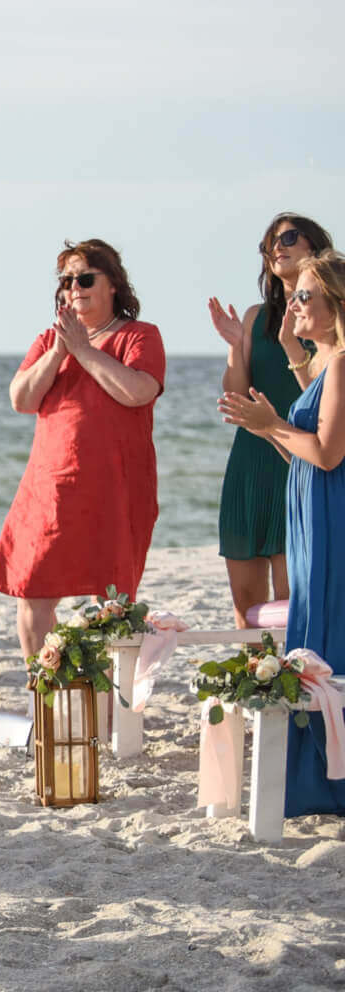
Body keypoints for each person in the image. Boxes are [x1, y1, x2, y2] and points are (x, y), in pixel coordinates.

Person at [0, 240, 165, 659]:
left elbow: (138, 392)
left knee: (112, 600)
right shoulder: (51, 339)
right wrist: (58, 352)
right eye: (67, 280)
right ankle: (44, 699)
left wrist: (85, 351)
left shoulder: (140, 335)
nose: (75, 287)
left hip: (113, 488)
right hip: (49, 487)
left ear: (113, 286)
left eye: (86, 278)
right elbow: (21, 399)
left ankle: (105, 710)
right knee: (33, 590)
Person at [218, 249, 345, 817]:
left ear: (334, 306)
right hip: (311, 513)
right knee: (312, 626)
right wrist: (265, 429)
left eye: (303, 296)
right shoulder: (328, 362)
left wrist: (274, 425)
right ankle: (317, 777)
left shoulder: (341, 364)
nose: (291, 301)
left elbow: (325, 453)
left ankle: (326, 780)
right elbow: (304, 452)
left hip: (329, 519)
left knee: (324, 630)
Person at [207, 214, 332, 629]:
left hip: (301, 453)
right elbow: (238, 397)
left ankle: (297, 685)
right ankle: (255, 688)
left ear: (315, 247)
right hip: (251, 456)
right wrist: (236, 346)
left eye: (289, 237)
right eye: (269, 243)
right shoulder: (256, 317)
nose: (277, 246)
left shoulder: (326, 316)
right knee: (245, 606)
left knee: (293, 600)